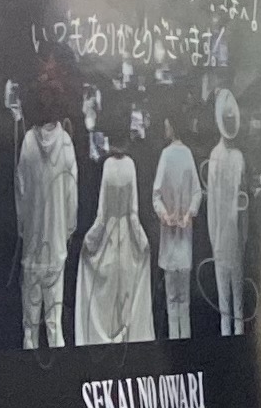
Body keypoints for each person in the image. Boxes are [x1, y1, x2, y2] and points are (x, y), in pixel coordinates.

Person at [14, 66, 78, 350]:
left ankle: (28, 367)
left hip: (32, 245)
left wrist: (22, 227)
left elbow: (20, 191)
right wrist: (69, 229)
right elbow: (72, 195)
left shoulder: (28, 142)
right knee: (55, 324)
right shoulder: (66, 144)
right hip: (56, 246)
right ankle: (58, 371)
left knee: (29, 327)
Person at [75, 155, 156, 346]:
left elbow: (102, 214)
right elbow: (133, 213)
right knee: (127, 296)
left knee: (108, 297)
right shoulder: (130, 164)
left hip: (108, 239)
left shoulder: (108, 165)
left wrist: (90, 240)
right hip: (127, 239)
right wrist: (142, 241)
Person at [151, 113, 202, 341]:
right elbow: (197, 192)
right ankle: (186, 345)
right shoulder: (188, 154)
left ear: (172, 126)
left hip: (170, 236)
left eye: (167, 125)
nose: (165, 129)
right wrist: (189, 213)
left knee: (172, 300)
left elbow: (156, 195)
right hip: (184, 235)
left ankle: (175, 344)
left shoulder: (166, 155)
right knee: (184, 300)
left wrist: (165, 214)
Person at [206, 85, 250, 335]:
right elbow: (244, 206)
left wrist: (214, 240)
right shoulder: (240, 158)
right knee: (239, 308)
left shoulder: (214, 157)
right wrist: (243, 238)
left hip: (221, 239)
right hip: (236, 239)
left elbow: (212, 207)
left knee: (225, 308)